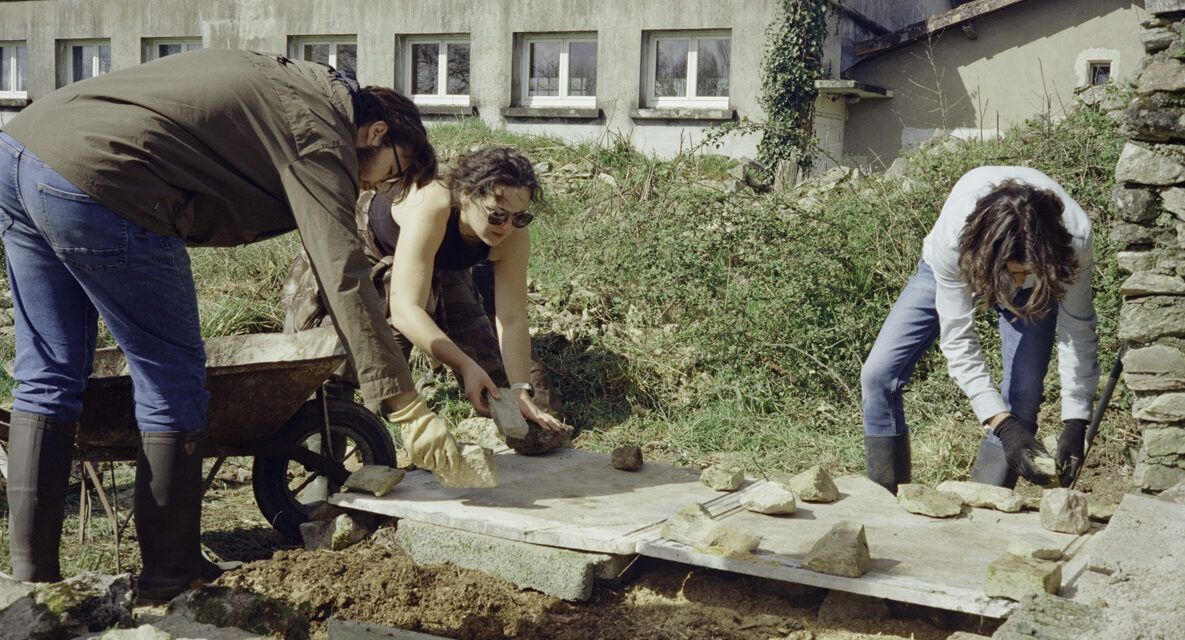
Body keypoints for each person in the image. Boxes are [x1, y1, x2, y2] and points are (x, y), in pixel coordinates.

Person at [0, 48, 446, 601]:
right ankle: (172, 574)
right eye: (391, 172)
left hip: (21, 148)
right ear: (375, 130)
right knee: (173, 378)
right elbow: (343, 270)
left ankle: (32, 585)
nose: (377, 188)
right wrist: (403, 401)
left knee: (47, 375)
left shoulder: (286, 82)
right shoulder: (320, 128)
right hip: (105, 175)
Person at [284, 146, 564, 435]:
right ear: (466, 194)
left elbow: (512, 318)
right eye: (497, 214)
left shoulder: (513, 233)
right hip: (363, 248)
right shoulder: (431, 202)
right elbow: (406, 309)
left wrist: (519, 389)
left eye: (519, 217)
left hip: (438, 264)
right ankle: (333, 451)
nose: (506, 227)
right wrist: (464, 365)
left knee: (494, 369)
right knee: (348, 351)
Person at [860, 166, 1098, 493]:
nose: (1016, 283)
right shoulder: (953, 241)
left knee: (1022, 398)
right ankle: (887, 503)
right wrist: (1003, 426)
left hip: (1042, 275)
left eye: (1024, 273)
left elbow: (1077, 330)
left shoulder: (1074, 242)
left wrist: (1076, 420)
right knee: (877, 375)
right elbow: (958, 341)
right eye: (1011, 273)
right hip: (964, 264)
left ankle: (987, 510)